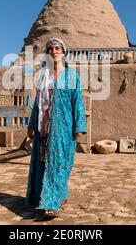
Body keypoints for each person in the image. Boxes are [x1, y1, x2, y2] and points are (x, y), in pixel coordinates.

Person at [26, 37, 87, 219]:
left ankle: (52, 204)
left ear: (64, 52)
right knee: (44, 162)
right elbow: (38, 102)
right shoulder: (43, 76)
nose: (54, 51)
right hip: (43, 126)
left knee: (59, 163)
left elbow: (78, 101)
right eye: (51, 49)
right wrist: (31, 125)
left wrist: (79, 125)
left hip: (63, 126)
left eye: (57, 49)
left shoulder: (71, 76)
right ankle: (54, 196)